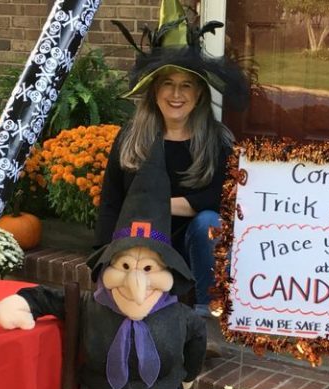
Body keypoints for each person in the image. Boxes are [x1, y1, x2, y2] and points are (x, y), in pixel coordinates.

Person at [0, 134, 211, 389]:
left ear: (167, 273)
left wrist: (187, 374)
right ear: (108, 266)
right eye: (126, 265)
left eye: (148, 267)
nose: (135, 280)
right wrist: (22, 303)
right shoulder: (91, 304)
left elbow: (196, 343)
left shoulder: (180, 317)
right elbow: (50, 297)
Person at [96, 0, 249, 318]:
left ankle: (205, 314)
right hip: (141, 244)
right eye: (167, 83)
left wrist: (153, 204)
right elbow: (112, 201)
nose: (175, 94)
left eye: (185, 85)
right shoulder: (131, 137)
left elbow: (222, 198)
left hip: (190, 245)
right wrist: (101, 256)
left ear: (199, 95)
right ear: (154, 91)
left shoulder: (217, 140)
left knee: (210, 223)